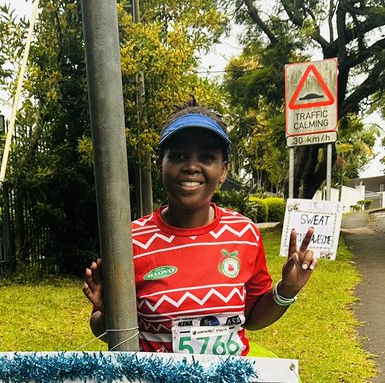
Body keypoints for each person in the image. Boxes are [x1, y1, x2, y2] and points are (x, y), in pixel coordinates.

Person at [83, 102, 316, 354]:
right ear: (160, 163)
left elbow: (252, 317)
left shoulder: (244, 234)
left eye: (206, 157)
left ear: (223, 170)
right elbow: (102, 329)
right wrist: (110, 312)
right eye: (179, 155)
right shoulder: (131, 241)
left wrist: (287, 290)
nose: (192, 167)